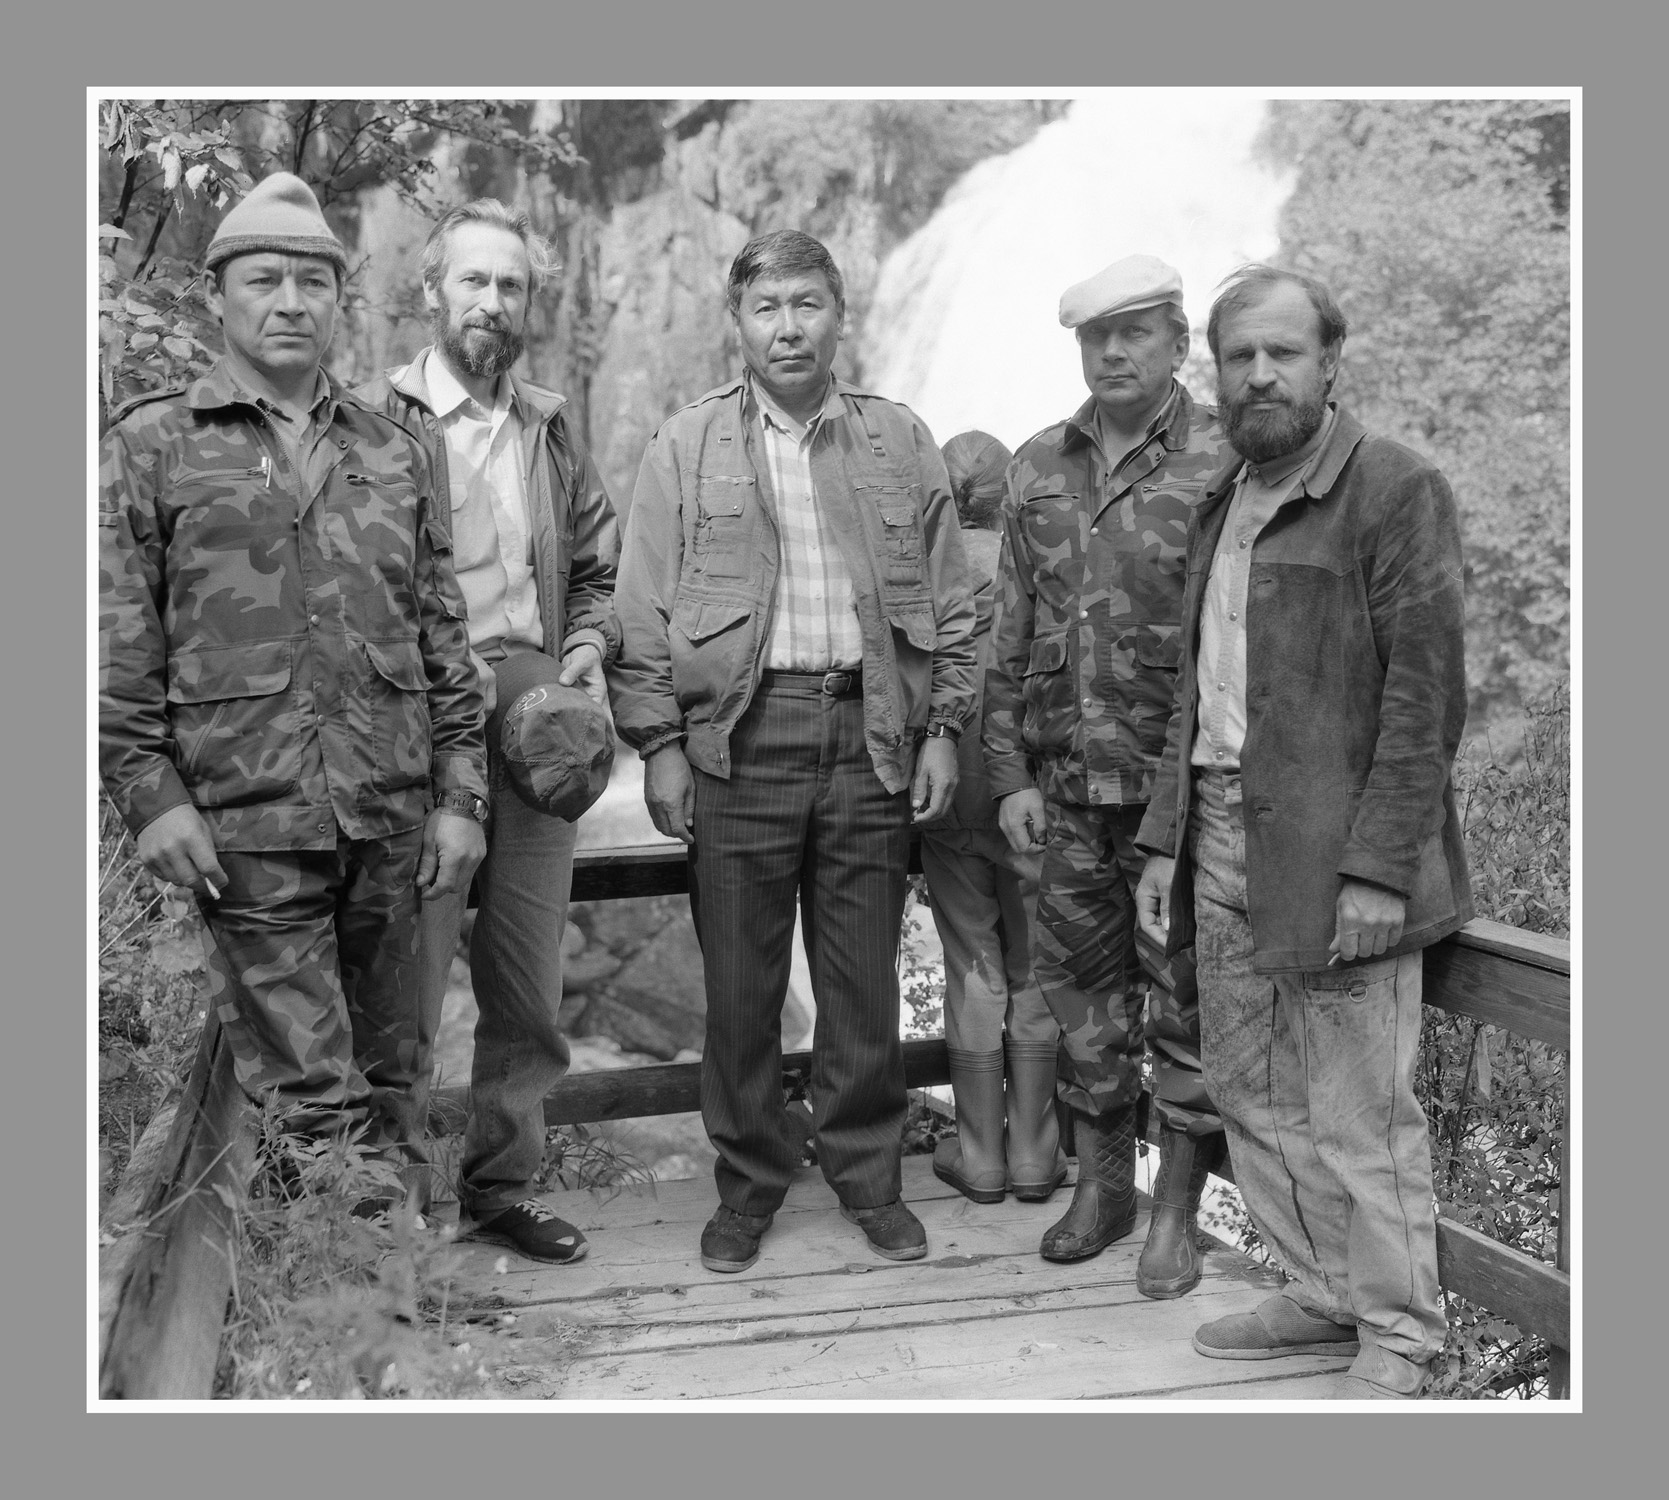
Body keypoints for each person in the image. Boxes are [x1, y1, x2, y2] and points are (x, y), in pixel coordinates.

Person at [99, 173, 488, 1187]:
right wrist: (149, 797)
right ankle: (364, 1279)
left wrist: (461, 799)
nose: (290, 301)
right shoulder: (152, 444)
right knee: (312, 1095)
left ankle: (391, 1264)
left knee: (397, 1071)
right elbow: (112, 641)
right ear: (218, 294)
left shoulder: (394, 448)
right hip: (247, 825)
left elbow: (442, 636)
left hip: (391, 817)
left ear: (338, 298)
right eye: (264, 279)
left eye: (312, 281)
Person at [1134, 265, 1474, 1399]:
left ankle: (1402, 1335)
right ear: (1214, 372)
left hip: (1335, 855)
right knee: (1249, 1088)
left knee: (1358, 1113)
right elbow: (1194, 697)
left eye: (1283, 352)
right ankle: (1323, 1294)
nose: (1260, 374)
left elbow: (1425, 702)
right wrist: (1164, 842)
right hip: (1223, 838)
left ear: (1331, 362)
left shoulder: (1393, 488)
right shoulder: (1222, 498)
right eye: (1239, 356)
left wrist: (1378, 870)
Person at [609, 229, 977, 1273]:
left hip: (871, 734)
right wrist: (660, 745)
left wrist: (942, 728)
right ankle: (748, 1185)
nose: (787, 327)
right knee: (741, 991)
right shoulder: (686, 445)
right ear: (737, 321)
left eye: (806, 304)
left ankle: (868, 1178)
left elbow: (951, 601)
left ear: (838, 315)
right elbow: (640, 610)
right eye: (766, 306)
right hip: (740, 737)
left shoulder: (898, 439)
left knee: (861, 984)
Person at [356, 199, 621, 1264]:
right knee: (408, 987)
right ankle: (391, 1217)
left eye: (511, 285)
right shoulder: (373, 421)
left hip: (542, 730)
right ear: (433, 291)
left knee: (526, 981)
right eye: (474, 280)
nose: (492, 302)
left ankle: (501, 1189)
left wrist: (588, 646)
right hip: (420, 730)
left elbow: (595, 569)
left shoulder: (548, 428)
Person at [983, 254, 1231, 1291]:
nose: (1114, 352)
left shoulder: (1223, 458)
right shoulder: (1038, 463)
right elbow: (1009, 628)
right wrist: (1007, 775)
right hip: (1066, 791)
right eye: (1097, 336)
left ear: (1177, 341)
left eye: (1135, 332)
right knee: (1081, 998)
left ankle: (1175, 1211)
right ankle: (1102, 1189)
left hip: (1181, 795)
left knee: (1184, 1001)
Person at [919, 432, 1065, 1205]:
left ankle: (979, 1156)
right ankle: (1036, 1154)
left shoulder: (924, 571)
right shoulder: (1036, 563)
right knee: (1036, 970)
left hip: (948, 803)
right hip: (1029, 799)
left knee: (971, 969)